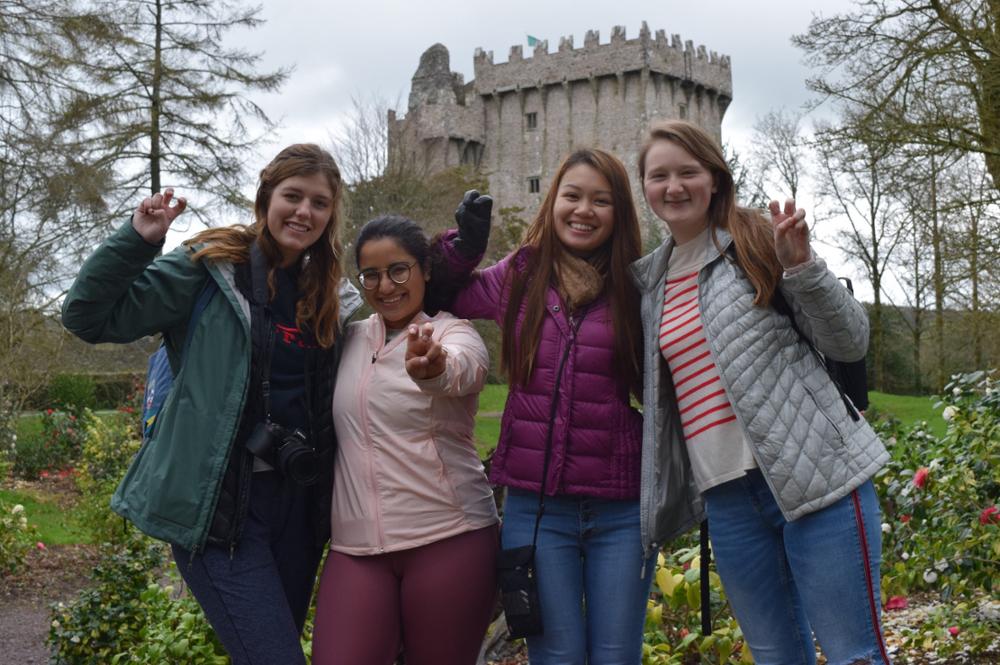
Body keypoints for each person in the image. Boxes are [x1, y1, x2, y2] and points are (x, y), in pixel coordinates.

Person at [61, 144, 360, 665]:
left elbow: (401, 312)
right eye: (292, 195)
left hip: (299, 509)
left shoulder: (330, 291)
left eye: (319, 202)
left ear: (331, 213)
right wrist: (137, 242)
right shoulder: (211, 267)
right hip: (223, 509)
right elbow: (88, 317)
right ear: (266, 196)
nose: (303, 212)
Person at [631, 119, 892, 665]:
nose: (674, 186)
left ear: (714, 178)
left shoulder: (754, 240)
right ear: (646, 187)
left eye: (688, 172)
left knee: (854, 656)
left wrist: (803, 266)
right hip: (728, 502)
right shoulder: (648, 284)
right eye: (659, 176)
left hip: (818, 476)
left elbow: (848, 341)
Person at [438, 148, 652, 664]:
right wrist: (462, 248)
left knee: (615, 656)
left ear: (620, 213)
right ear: (552, 201)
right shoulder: (523, 274)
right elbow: (446, 295)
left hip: (620, 507)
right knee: (555, 656)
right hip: (538, 509)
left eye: (601, 201)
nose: (583, 210)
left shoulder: (641, 284)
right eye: (572, 195)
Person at [312, 214, 499, 665]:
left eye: (399, 270)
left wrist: (432, 367)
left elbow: (463, 369)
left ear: (425, 270)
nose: (385, 286)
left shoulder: (454, 333)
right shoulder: (348, 339)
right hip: (356, 548)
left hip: (449, 536)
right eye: (371, 275)